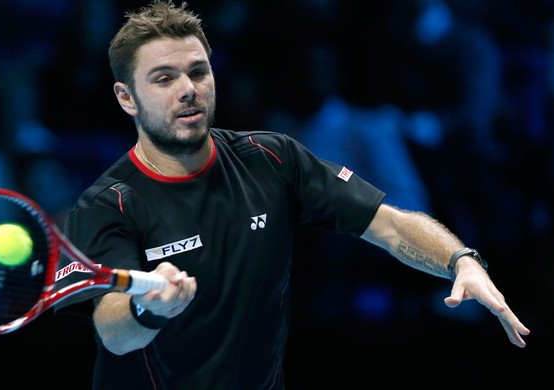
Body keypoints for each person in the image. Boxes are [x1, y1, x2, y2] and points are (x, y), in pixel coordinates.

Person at [53, 1, 530, 388]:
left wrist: (460, 260)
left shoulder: (272, 158)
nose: (188, 90)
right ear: (126, 98)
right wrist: (146, 307)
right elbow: (113, 329)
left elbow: (389, 223)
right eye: (164, 78)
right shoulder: (107, 204)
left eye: (198, 72)